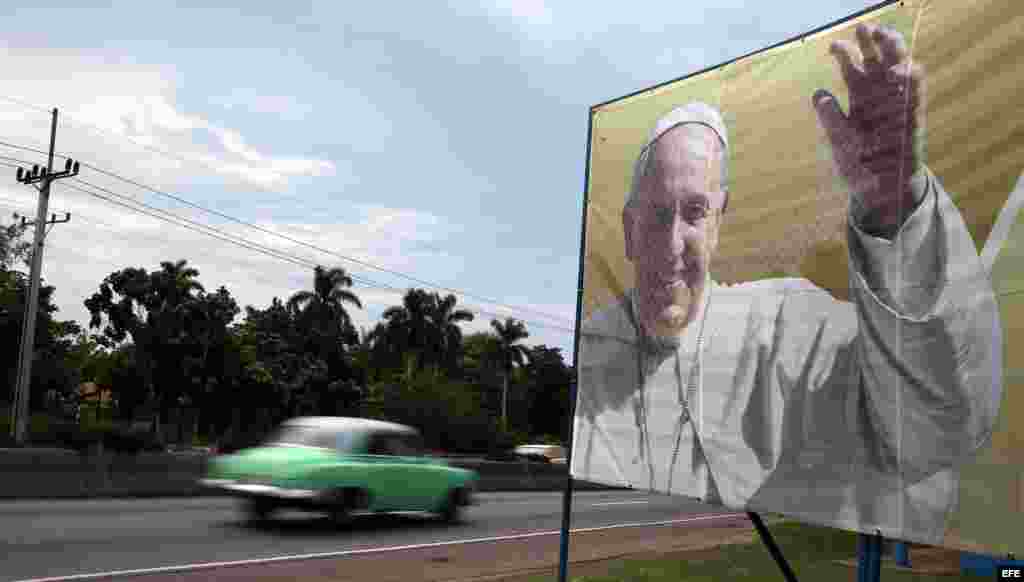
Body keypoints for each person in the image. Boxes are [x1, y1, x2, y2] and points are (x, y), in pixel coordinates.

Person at [570, 23, 1003, 544]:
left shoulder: (788, 328)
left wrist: (896, 212)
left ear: (719, 222)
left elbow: (939, 426)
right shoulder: (597, 346)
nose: (673, 242)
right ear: (628, 229)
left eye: (694, 213)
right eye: (657, 215)